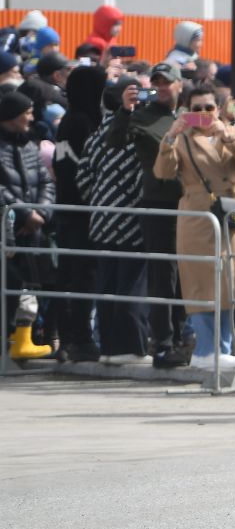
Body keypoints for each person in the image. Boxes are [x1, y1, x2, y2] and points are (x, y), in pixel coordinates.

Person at [153, 84, 235, 373]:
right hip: (198, 216)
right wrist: (170, 136)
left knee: (229, 284)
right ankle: (206, 349)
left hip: (230, 214)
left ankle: (222, 348)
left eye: (208, 108)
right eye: (196, 109)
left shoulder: (231, 133)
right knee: (201, 284)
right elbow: (163, 172)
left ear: (218, 109)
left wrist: (228, 135)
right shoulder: (181, 139)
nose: (203, 114)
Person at [111, 61, 189, 365]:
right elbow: (115, 141)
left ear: (180, 84)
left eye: (167, 82)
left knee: (188, 272)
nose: (162, 87)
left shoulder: (190, 115)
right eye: (157, 82)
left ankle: (181, 336)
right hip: (159, 204)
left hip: (192, 204)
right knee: (163, 275)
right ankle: (163, 344)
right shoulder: (143, 116)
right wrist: (125, 111)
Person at [77, 78, 148, 362]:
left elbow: (83, 177)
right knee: (132, 284)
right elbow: (142, 177)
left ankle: (107, 347)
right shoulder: (136, 132)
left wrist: (100, 203)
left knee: (107, 286)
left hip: (101, 219)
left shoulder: (95, 135)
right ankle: (130, 347)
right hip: (133, 217)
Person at [48, 63, 108, 363]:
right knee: (82, 275)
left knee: (68, 276)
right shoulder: (84, 121)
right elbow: (88, 167)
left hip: (67, 207)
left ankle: (67, 338)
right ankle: (79, 338)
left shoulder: (69, 119)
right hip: (83, 210)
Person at [0, 88, 55, 361]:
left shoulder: (30, 145)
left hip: (32, 231)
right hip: (7, 229)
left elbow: (46, 182)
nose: (31, 118)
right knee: (7, 284)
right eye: (27, 112)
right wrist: (23, 214)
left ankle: (23, 341)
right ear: (12, 115)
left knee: (31, 284)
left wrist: (41, 214)